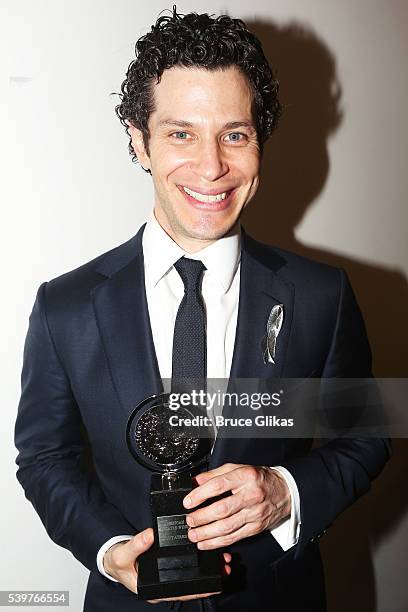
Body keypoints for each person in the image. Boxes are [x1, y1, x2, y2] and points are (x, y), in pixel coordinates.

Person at [15, 8, 391, 612]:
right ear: (139, 141)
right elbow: (44, 458)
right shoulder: (64, 307)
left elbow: (367, 436)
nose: (212, 166)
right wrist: (109, 548)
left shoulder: (324, 295)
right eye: (181, 133)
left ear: (259, 142)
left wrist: (286, 491)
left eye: (234, 134)